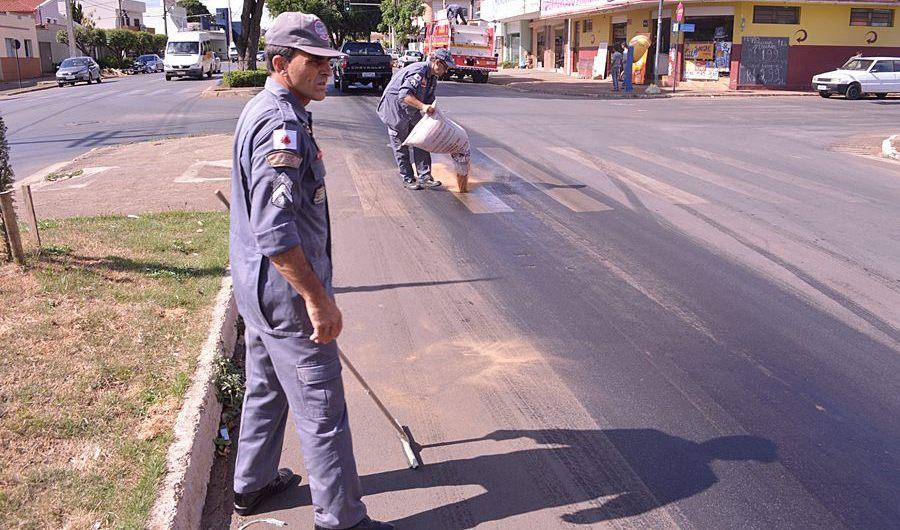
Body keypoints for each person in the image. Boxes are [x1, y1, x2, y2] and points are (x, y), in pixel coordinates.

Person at [229, 11, 393, 530]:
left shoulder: (267, 108)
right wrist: (318, 300)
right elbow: (276, 232)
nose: (326, 70)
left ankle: (249, 487)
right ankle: (342, 519)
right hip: (286, 296)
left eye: (329, 61)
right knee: (323, 411)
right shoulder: (282, 126)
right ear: (281, 63)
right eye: (315, 61)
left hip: (256, 292)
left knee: (267, 388)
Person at [376, 49, 454, 190]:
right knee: (401, 144)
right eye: (446, 67)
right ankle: (408, 178)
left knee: (421, 139)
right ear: (437, 63)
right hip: (395, 109)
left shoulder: (432, 77)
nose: (446, 71)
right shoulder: (419, 72)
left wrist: (435, 114)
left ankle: (425, 176)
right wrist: (423, 107)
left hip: (410, 108)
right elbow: (404, 95)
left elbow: (429, 99)